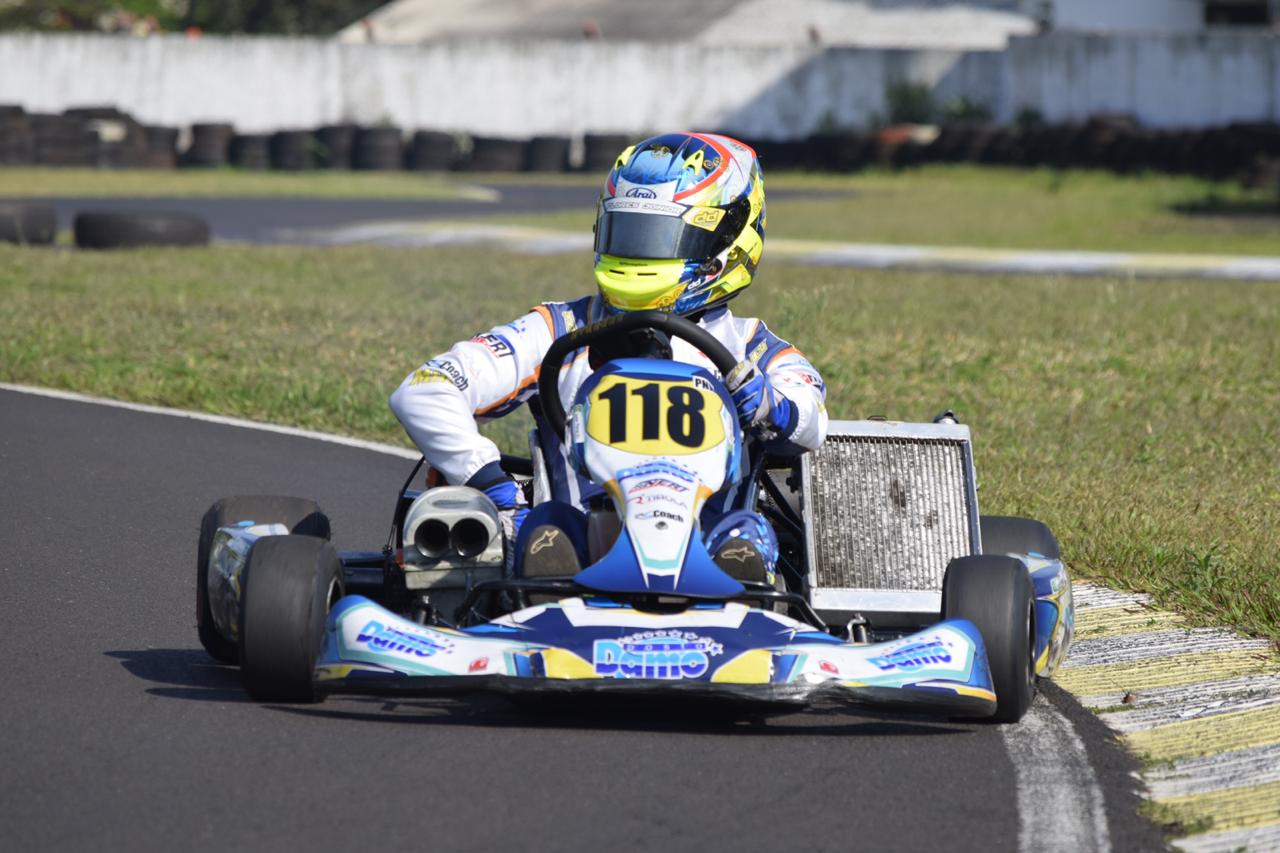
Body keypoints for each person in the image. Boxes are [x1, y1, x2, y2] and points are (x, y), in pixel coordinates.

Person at [390, 132, 828, 584]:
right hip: (576, 555)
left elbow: (813, 422)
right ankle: (551, 567)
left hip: (707, 547)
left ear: (725, 245)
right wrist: (492, 486)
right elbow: (424, 390)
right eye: (627, 233)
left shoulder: (753, 350)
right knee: (547, 528)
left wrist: (769, 405)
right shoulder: (558, 329)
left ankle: (738, 586)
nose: (637, 253)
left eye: (659, 237)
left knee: (749, 534)